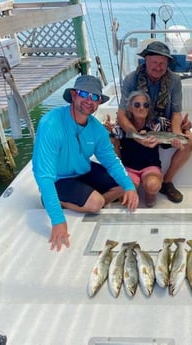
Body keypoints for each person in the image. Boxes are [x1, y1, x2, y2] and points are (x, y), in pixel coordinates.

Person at [32, 75, 139, 251]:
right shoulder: (51, 124)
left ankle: (88, 199)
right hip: (58, 178)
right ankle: (58, 200)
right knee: (96, 204)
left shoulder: (97, 129)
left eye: (95, 97)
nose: (89, 100)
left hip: (83, 171)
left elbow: (111, 161)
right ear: (74, 95)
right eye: (84, 94)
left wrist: (128, 186)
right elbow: (43, 176)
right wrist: (58, 220)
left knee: (131, 183)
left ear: (98, 102)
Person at [116, 41, 192, 203]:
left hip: (161, 123)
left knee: (190, 141)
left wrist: (177, 134)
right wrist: (136, 135)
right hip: (136, 123)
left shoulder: (174, 81)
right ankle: (121, 177)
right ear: (146, 61)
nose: (158, 67)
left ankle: (166, 181)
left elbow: (175, 113)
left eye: (162, 63)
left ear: (167, 64)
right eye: (154, 62)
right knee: (111, 138)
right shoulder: (131, 79)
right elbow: (122, 113)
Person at [108, 91, 172, 207]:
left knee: (152, 187)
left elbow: (176, 130)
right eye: (137, 105)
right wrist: (109, 135)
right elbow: (115, 150)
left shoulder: (158, 124)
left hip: (151, 166)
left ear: (149, 108)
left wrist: (186, 127)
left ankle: (150, 194)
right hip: (129, 167)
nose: (141, 108)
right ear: (130, 108)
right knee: (126, 198)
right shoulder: (121, 127)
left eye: (145, 105)